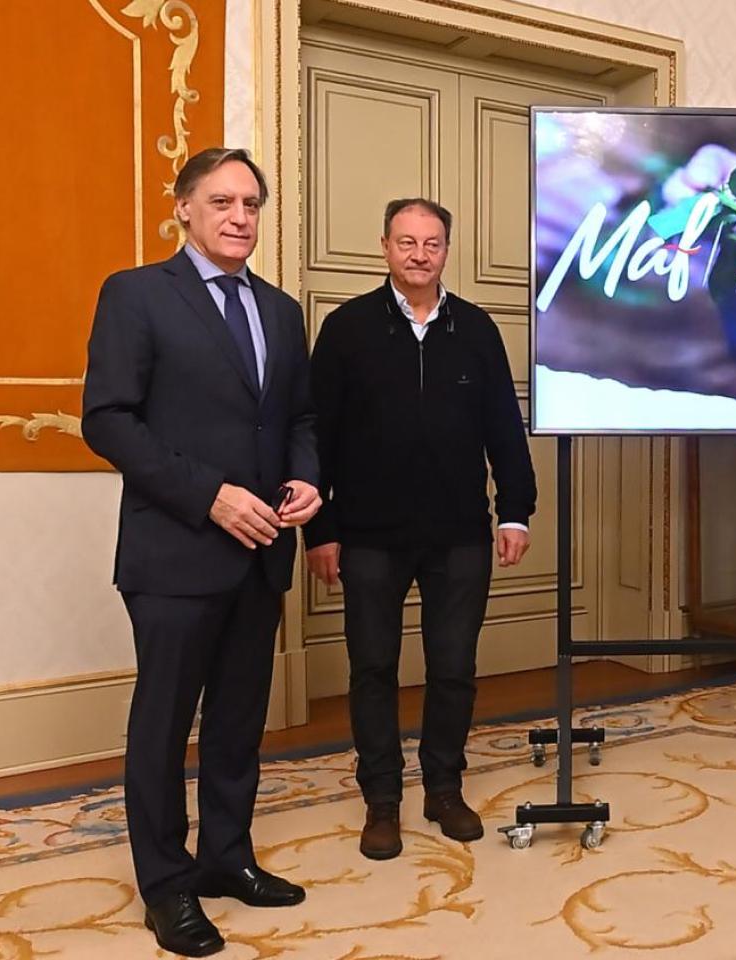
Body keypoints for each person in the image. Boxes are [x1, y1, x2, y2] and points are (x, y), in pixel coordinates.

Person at [82, 147, 320, 957]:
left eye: (251, 203)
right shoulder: (137, 295)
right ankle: (167, 886)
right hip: (175, 550)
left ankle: (227, 859)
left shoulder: (283, 312)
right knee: (164, 723)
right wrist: (208, 493)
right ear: (183, 207)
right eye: (222, 201)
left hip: (262, 553)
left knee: (238, 722)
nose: (240, 217)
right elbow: (107, 420)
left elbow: (298, 421)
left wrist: (306, 480)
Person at [304, 198, 538, 861]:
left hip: (460, 534)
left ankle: (443, 787)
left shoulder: (477, 329)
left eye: (431, 243)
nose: (418, 254)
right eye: (405, 242)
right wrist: (320, 527)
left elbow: (503, 427)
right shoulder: (346, 329)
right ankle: (382, 800)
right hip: (368, 537)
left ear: (446, 251)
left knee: (454, 668)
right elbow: (316, 435)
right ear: (384, 247)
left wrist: (515, 509)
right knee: (373, 668)